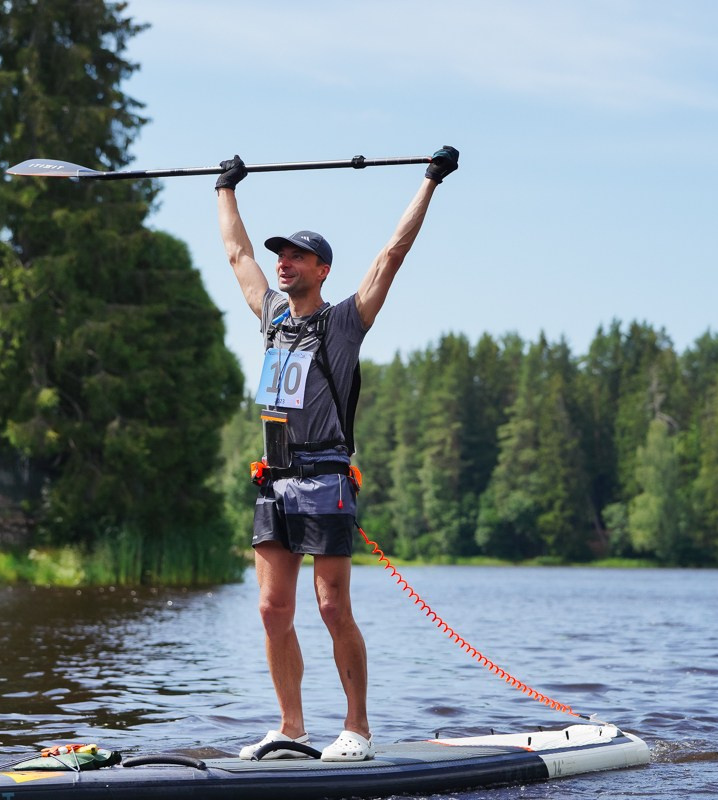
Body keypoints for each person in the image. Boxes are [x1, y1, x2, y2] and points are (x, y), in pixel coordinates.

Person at [215, 146, 459, 763]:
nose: (282, 263)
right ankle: (291, 728)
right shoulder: (272, 316)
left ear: (321, 269)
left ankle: (357, 729)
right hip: (272, 482)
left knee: (330, 605)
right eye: (282, 256)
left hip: (325, 479)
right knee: (273, 611)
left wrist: (429, 181)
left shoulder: (345, 321)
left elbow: (392, 255)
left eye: (295, 256)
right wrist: (225, 191)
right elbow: (238, 255)